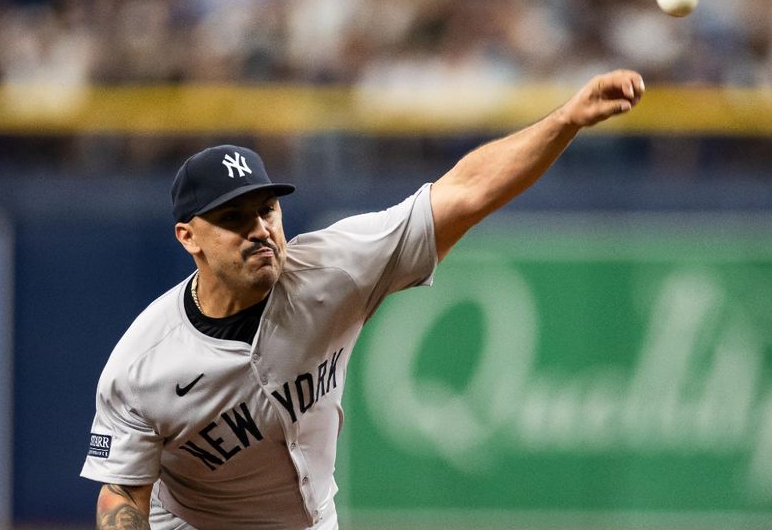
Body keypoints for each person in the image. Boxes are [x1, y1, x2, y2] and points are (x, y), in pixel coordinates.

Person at [81, 69, 644, 530]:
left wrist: (566, 120)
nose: (259, 229)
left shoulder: (332, 267)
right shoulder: (142, 365)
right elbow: (121, 495)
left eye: (266, 210)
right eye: (233, 218)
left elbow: (465, 191)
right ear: (188, 237)